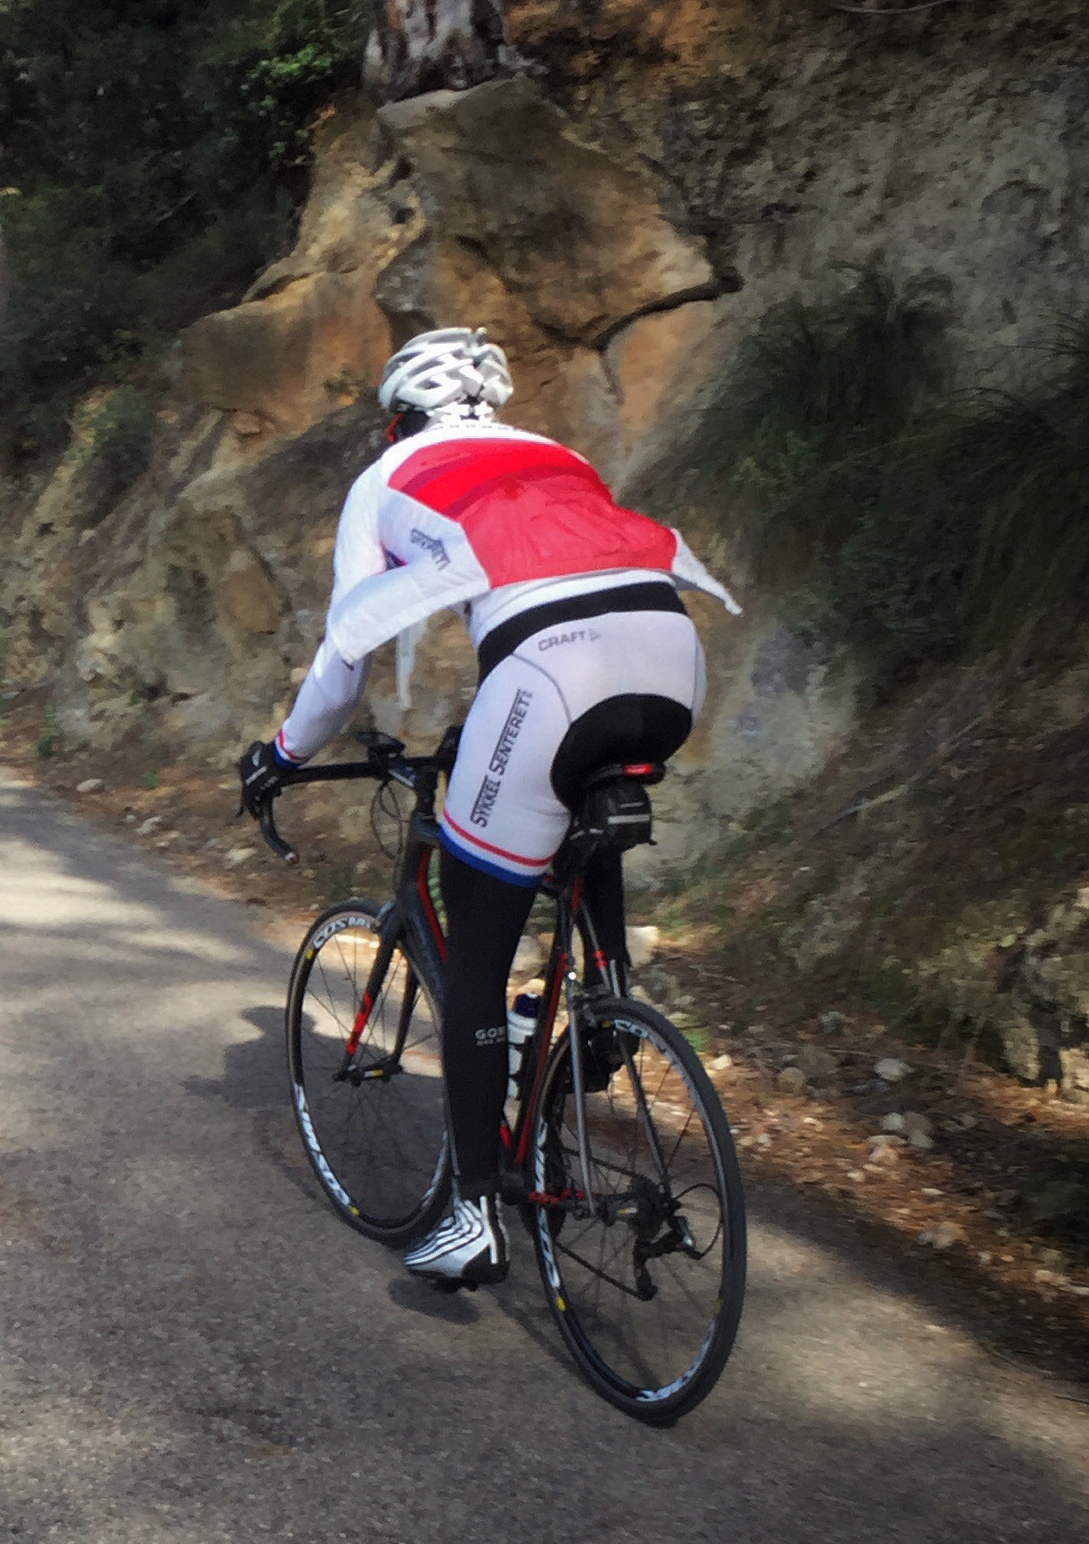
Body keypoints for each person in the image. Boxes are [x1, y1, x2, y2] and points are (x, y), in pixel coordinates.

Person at [237, 326, 738, 1289]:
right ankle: (599, 1010)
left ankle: (473, 1217)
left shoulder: (386, 478)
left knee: (476, 940)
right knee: (573, 802)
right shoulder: (557, 457)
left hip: (549, 676)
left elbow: (346, 657)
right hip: (673, 660)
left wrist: (281, 755)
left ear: (398, 419)